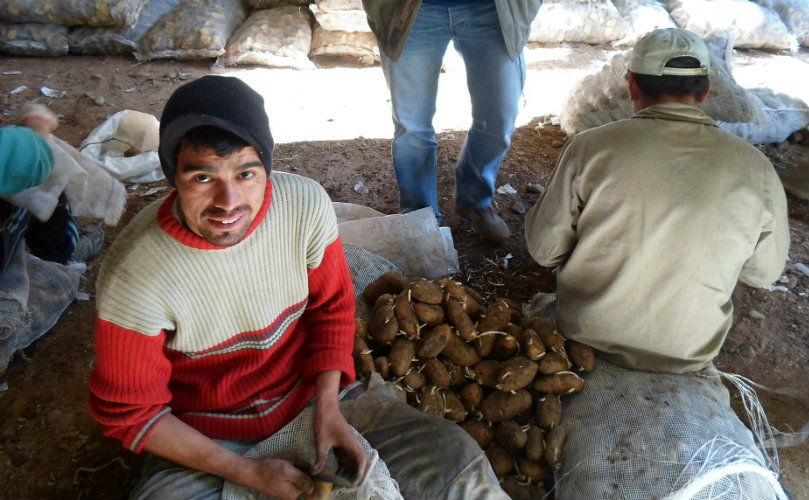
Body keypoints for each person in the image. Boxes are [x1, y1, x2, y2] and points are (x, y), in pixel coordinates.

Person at [88, 75, 509, 500]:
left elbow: (331, 309)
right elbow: (134, 412)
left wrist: (328, 404)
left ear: (266, 168)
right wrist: (246, 472)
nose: (227, 202)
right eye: (202, 178)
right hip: (206, 434)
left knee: (455, 462)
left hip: (313, 401)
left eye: (246, 173)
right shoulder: (135, 272)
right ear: (172, 176)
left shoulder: (304, 207)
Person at [524, 28, 790, 498]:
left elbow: (544, 250)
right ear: (705, 92)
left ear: (631, 86)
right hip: (685, 358)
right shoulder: (756, 168)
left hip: (587, 342)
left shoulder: (590, 147)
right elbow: (763, 273)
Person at [362, 0, 542, 242]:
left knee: (500, 116)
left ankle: (474, 198)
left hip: (492, 9)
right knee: (412, 127)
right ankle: (420, 218)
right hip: (412, 8)